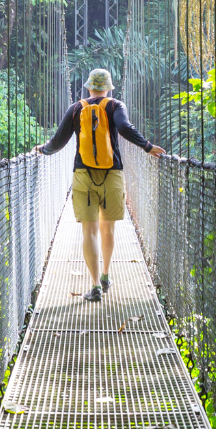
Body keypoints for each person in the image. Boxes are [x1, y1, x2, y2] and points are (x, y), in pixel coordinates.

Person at [35, 68, 165, 301]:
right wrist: (147, 146)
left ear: (88, 87)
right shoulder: (115, 105)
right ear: (109, 88)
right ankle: (106, 276)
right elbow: (124, 129)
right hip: (112, 174)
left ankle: (94, 286)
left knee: (89, 231)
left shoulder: (76, 108)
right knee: (108, 228)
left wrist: (43, 150)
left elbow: (59, 141)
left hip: (83, 174)